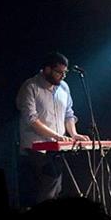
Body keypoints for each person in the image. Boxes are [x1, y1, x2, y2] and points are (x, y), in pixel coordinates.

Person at [16, 51, 90, 208]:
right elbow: (31, 119)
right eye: (59, 72)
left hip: (56, 147)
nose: (63, 76)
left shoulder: (64, 87)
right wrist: (57, 136)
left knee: (56, 189)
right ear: (47, 69)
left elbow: (69, 114)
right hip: (35, 147)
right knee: (49, 183)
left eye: (65, 72)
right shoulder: (31, 86)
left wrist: (74, 134)